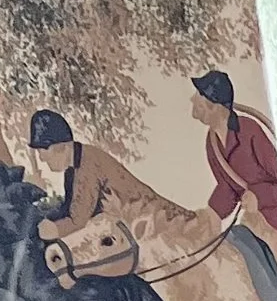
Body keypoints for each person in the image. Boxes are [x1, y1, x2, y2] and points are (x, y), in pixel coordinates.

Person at [187, 70, 277, 301]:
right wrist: (212, 214)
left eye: (199, 96)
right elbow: (228, 187)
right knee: (233, 242)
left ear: (213, 104)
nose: (194, 101)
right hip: (253, 217)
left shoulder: (249, 130)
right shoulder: (212, 141)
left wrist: (259, 196)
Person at [28, 107, 192, 253]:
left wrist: (52, 229)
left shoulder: (88, 164)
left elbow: (78, 221)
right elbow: (68, 209)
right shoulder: (72, 170)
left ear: (62, 146)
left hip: (162, 226)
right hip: (134, 230)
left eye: (43, 150)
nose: (42, 158)